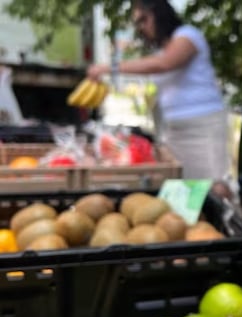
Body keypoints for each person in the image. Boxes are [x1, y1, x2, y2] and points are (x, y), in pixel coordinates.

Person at [87, 0, 231, 186]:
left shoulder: (187, 36)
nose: (142, 27)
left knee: (215, 186)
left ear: (160, 14)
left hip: (203, 125)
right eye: (138, 23)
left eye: (144, 19)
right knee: (185, 188)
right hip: (174, 128)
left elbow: (164, 64)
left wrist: (111, 68)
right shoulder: (161, 50)